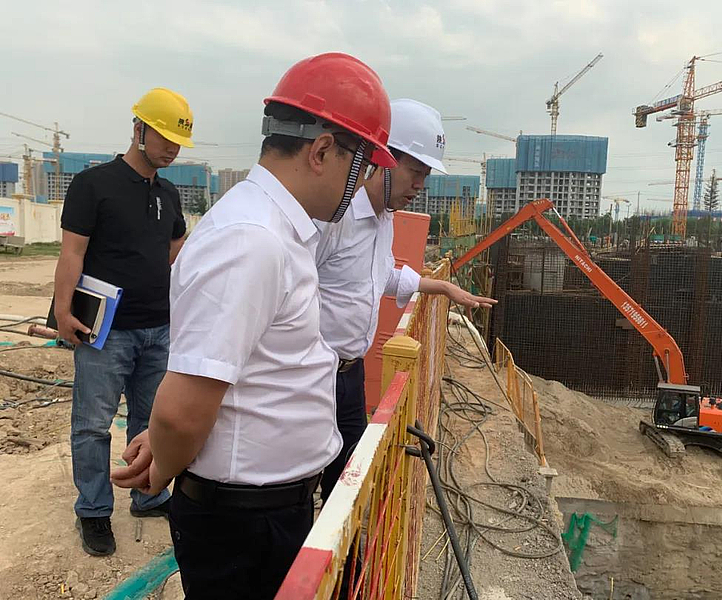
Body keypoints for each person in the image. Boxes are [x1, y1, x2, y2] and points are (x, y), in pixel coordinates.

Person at [114, 53, 396, 599]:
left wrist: (174, 440)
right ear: (322, 152)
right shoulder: (251, 240)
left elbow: (241, 372)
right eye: (360, 166)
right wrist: (168, 457)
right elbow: (181, 410)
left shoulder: (276, 231)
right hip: (243, 525)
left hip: (265, 512)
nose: (360, 184)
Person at [315, 98, 496, 502]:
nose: (420, 186)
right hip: (313, 375)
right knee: (303, 478)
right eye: (415, 172)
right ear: (384, 159)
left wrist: (442, 288)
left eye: (425, 176)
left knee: (346, 483)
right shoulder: (336, 218)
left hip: (349, 376)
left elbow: (379, 277)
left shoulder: (385, 218)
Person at [54, 88, 193, 556]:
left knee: (151, 421)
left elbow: (175, 253)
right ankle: (93, 509)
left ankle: (148, 495)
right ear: (139, 129)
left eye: (178, 142)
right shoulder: (93, 185)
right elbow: (72, 253)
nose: (172, 149)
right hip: (105, 332)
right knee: (92, 424)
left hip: (159, 328)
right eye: (165, 138)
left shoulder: (168, 193)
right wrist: (63, 310)